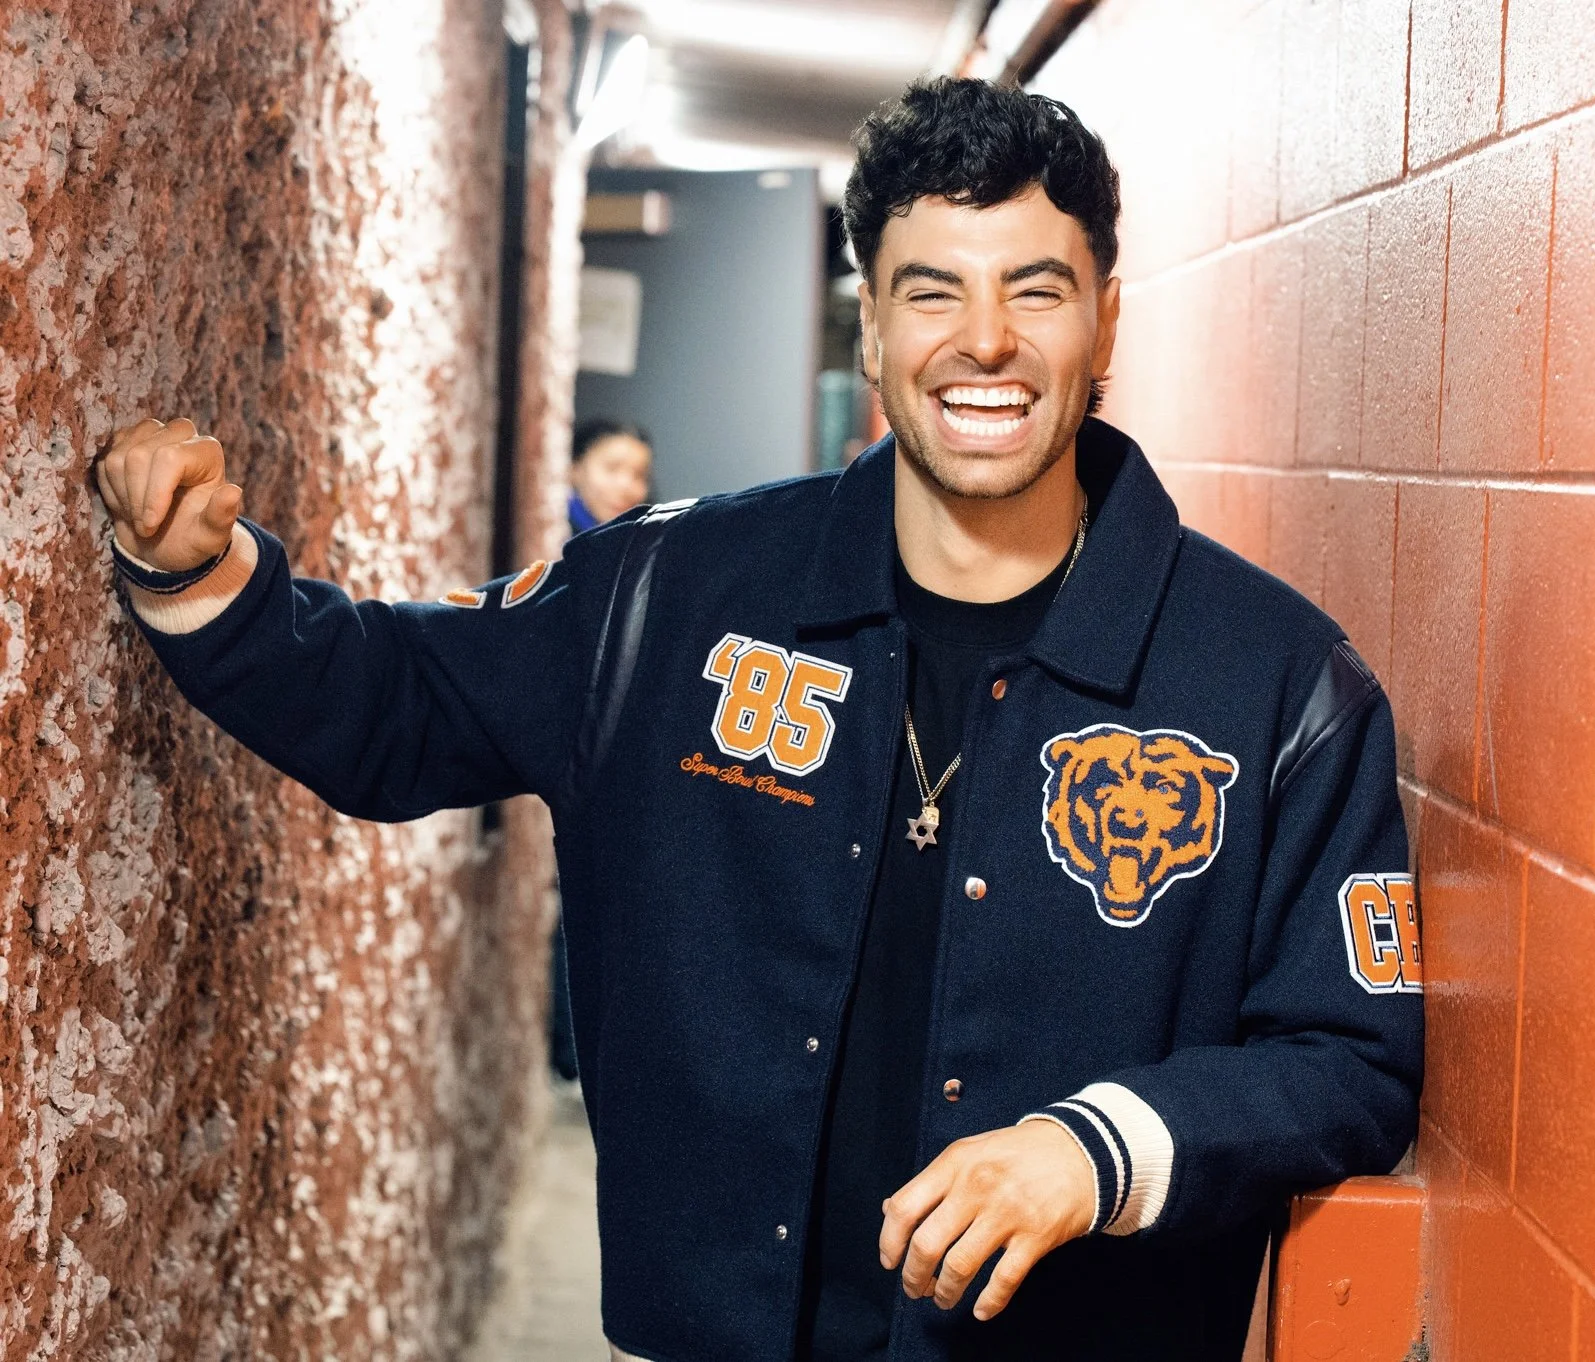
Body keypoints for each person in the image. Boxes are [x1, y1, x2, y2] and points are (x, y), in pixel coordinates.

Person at [93, 78, 1421, 1362]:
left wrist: (1097, 1146)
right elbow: (395, 702)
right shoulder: (665, 597)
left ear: (1104, 319)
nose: (985, 341)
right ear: (868, 328)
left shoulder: (1274, 686)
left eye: (1034, 288)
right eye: (930, 291)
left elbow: (1349, 1059)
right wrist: (207, 581)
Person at [567, 418, 653, 535]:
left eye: (639, 475)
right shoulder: (545, 536)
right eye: (611, 468)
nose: (625, 486)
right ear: (574, 469)